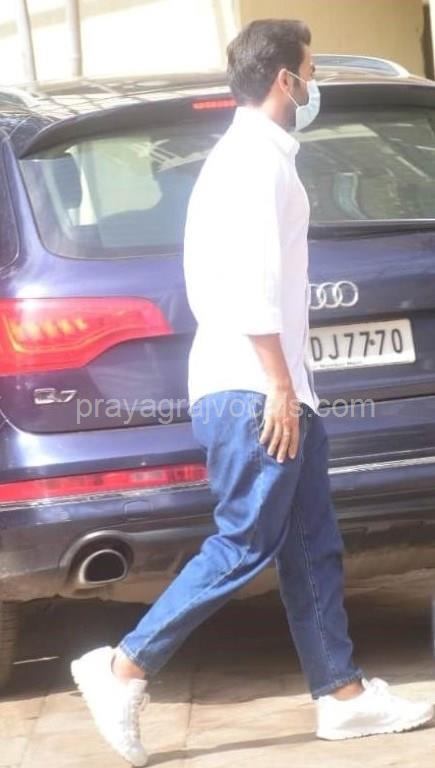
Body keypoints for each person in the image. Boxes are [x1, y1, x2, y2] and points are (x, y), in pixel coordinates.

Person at [70, 18, 434, 766]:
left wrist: (290, 386)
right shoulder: (251, 163)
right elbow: (251, 284)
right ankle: (123, 667)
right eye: (311, 70)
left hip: (274, 387)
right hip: (254, 390)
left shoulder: (256, 158)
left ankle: (342, 697)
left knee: (310, 545)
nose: (315, 85)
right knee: (244, 541)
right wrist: (277, 385)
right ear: (284, 80)